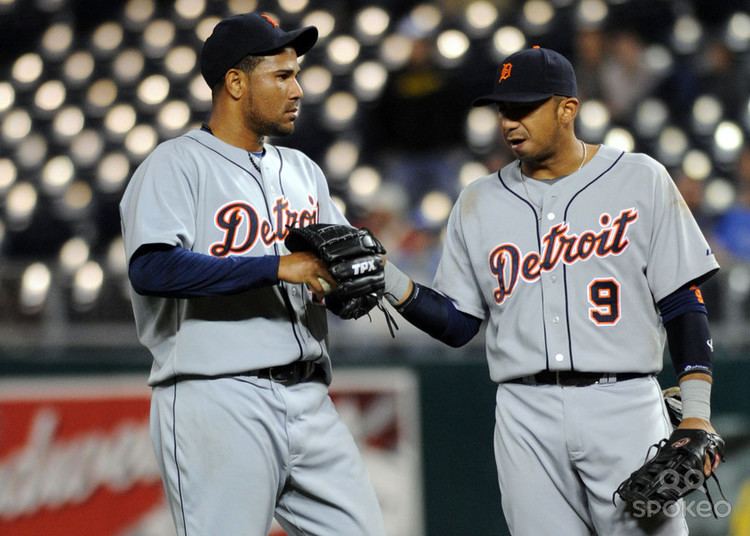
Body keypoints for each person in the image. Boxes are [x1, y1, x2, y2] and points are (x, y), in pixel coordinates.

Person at [382, 47, 721, 535]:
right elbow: (458, 326)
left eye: (524, 107)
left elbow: (682, 302)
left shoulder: (639, 179)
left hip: (622, 404)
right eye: (503, 109)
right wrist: (390, 281)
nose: (509, 122)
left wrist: (696, 416)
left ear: (568, 108)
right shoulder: (477, 201)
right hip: (524, 412)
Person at [119, 12, 385, 536]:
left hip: (309, 396)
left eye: (297, 74)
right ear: (236, 83)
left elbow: (331, 272)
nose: (299, 90)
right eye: (282, 76)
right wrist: (276, 266)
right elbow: (151, 267)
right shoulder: (176, 165)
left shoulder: (304, 170)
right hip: (217, 397)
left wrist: (348, 284)